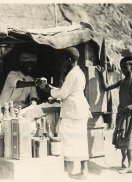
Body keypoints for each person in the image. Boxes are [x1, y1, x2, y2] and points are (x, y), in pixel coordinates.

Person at [38, 47, 91, 179]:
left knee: (65, 137)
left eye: (63, 60)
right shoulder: (78, 72)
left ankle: (68, 172)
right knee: (80, 139)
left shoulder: (73, 74)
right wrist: (51, 88)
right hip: (79, 109)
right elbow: (65, 90)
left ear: (68, 60)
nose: (62, 63)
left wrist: (46, 89)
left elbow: (62, 93)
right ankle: (83, 171)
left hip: (73, 110)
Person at [96, 54, 132, 173]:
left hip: (130, 114)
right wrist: (101, 74)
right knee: (121, 137)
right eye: (122, 68)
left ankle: (131, 165)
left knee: (128, 139)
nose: (123, 70)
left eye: (126, 67)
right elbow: (106, 88)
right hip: (121, 113)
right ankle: (124, 161)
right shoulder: (122, 81)